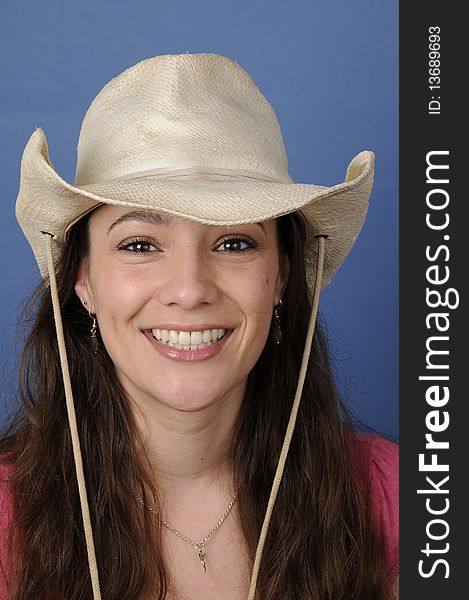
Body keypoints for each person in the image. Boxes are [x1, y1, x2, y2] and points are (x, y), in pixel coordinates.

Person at [0, 53, 398, 599]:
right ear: (83, 281)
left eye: (234, 243)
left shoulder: (398, 500)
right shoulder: (5, 518)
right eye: (140, 245)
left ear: (281, 277)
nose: (189, 289)